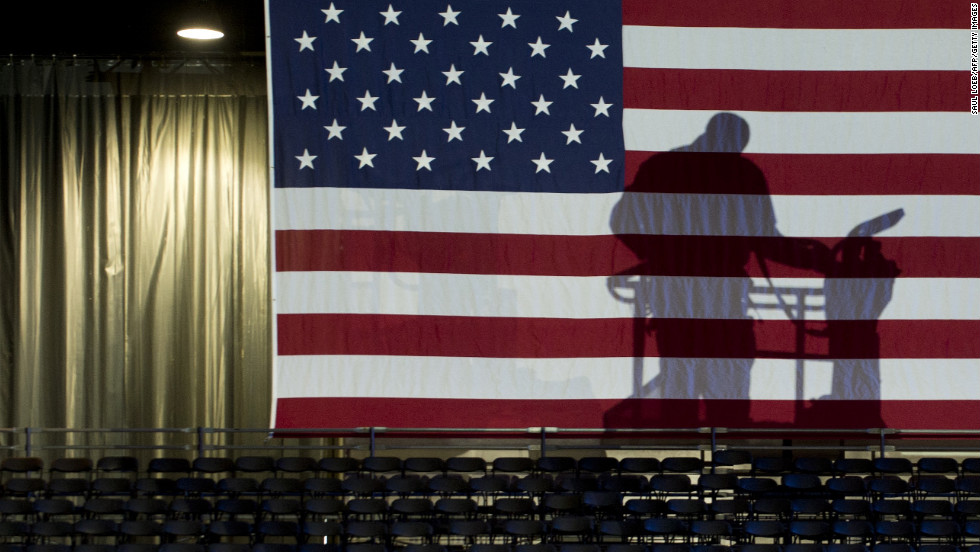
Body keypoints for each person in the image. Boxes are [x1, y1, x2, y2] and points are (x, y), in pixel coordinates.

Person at [607, 113, 833, 426]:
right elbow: (766, 241)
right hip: (718, 292)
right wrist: (817, 260)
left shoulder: (663, 167)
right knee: (724, 377)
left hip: (676, 289)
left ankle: (684, 454)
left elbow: (621, 221)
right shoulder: (743, 173)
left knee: (682, 374)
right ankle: (724, 450)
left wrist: (658, 256)